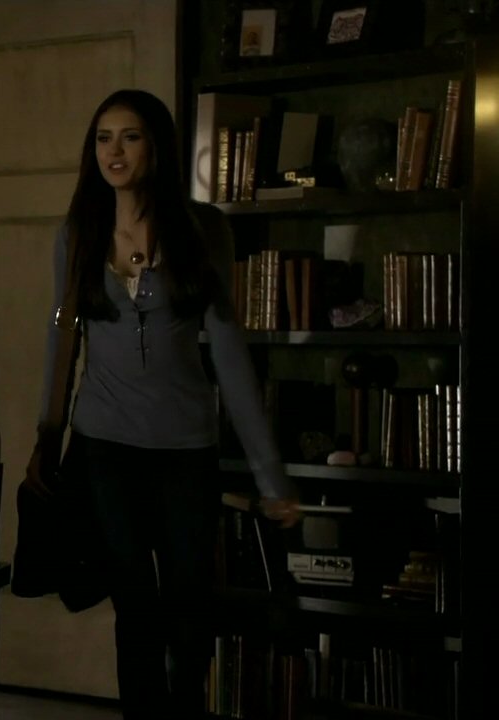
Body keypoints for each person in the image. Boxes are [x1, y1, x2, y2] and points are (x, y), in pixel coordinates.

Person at [27, 88, 302, 717]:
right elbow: (61, 338)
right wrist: (47, 436)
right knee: (134, 605)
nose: (115, 152)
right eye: (103, 138)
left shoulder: (204, 229)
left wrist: (269, 475)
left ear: (157, 146)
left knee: (188, 606)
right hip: (104, 444)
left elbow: (229, 352)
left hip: (184, 446)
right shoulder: (79, 232)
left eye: (130, 137)